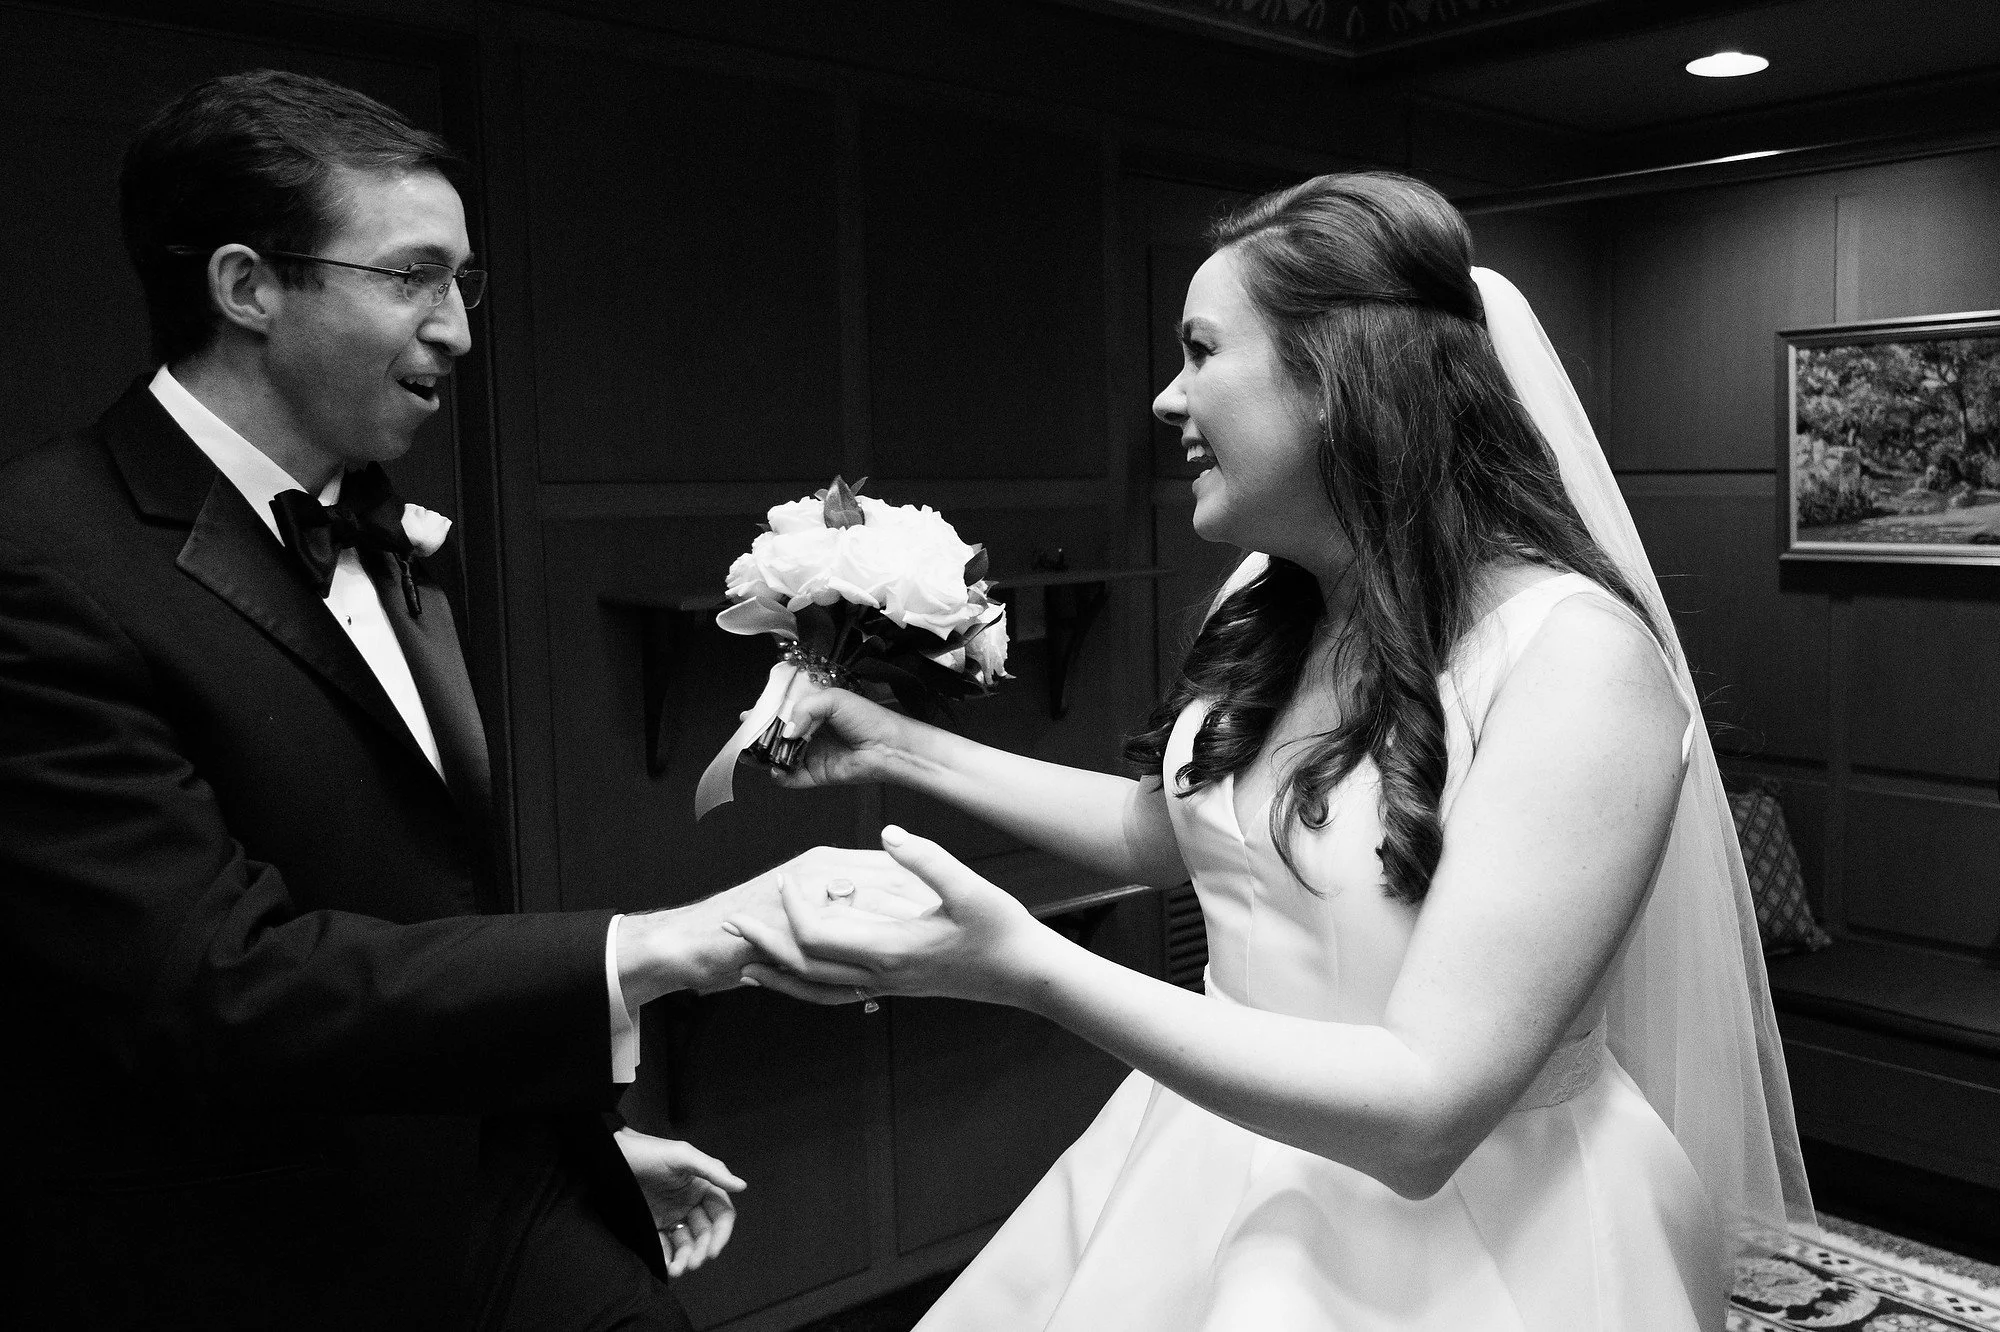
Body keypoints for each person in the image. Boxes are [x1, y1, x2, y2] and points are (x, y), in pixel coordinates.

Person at [725, 172, 1815, 1329]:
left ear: (1340, 381)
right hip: (1202, 1161)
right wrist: (895, 743)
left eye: (1199, 350)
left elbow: (1426, 1109)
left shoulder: (1575, 663)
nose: (1163, 398)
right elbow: (1182, 834)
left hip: (1473, 1238)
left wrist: (1023, 968)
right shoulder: (1270, 598)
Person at [0, 69, 921, 1329]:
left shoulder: (382, 530)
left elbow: (420, 897)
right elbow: (207, 986)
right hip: (245, 1246)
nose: (459, 330)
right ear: (246, 285)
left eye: (462, 282)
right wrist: (658, 943)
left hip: (490, 1189)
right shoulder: (41, 560)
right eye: (410, 277)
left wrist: (565, 1144)